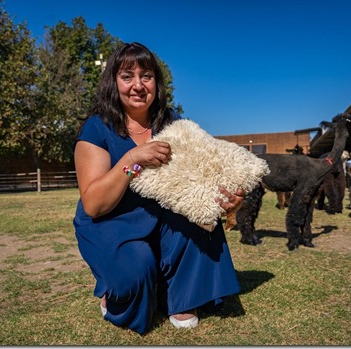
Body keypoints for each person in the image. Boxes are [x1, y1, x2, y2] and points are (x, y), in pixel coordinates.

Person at [73, 42, 243, 335]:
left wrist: (231, 201)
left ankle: (182, 298)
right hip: (111, 222)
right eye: (127, 76)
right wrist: (131, 159)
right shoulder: (97, 127)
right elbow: (94, 204)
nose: (138, 85)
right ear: (114, 82)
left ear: (156, 82)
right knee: (135, 273)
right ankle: (115, 289)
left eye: (146, 76)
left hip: (162, 219)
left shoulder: (173, 122)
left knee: (201, 221)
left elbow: (205, 173)